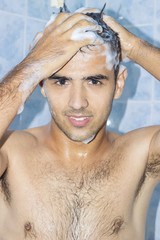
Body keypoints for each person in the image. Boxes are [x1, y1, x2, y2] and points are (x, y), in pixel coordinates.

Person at [0, 7, 160, 240]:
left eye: (94, 81)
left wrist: (135, 47)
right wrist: (33, 65)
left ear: (118, 84)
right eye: (62, 81)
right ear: (42, 84)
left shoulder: (141, 155)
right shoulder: (10, 154)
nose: (77, 102)